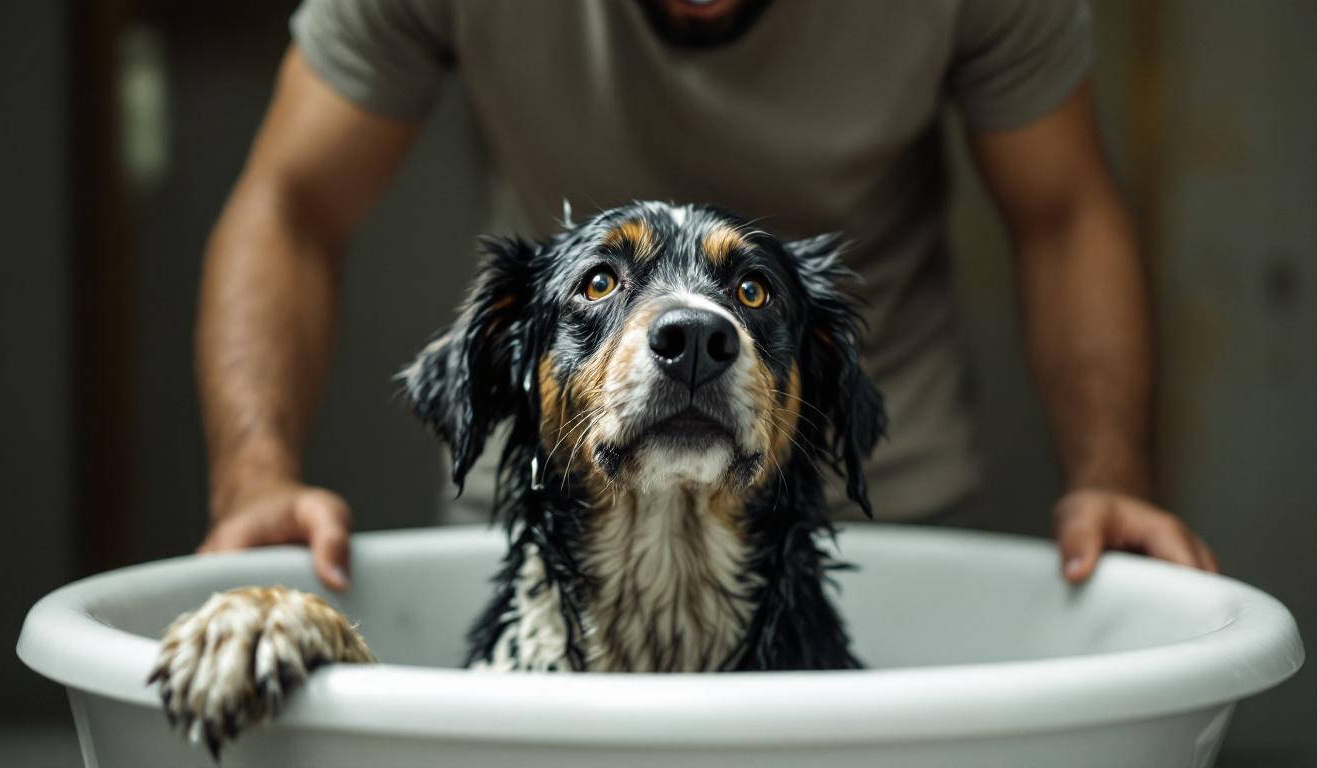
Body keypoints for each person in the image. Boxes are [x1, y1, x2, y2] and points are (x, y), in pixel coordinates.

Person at [196, 0, 1218, 591]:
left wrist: (1113, 473)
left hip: (867, 501)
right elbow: (290, 203)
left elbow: (1065, 214)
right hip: (551, 497)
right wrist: (254, 476)